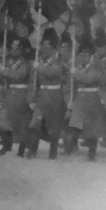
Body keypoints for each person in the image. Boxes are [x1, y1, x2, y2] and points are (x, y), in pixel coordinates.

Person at [66, 34, 106, 161]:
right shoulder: (76, 66)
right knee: (75, 123)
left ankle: (92, 152)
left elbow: (90, 78)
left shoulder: (96, 66)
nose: (83, 57)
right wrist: (70, 100)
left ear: (90, 56)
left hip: (93, 98)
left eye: (86, 55)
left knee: (92, 128)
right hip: (79, 98)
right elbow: (71, 86)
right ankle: (71, 146)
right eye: (81, 55)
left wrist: (76, 73)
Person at [27, 28, 66, 160]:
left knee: (54, 126)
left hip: (55, 95)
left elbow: (53, 71)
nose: (45, 48)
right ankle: (32, 150)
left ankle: (53, 152)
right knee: (34, 123)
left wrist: (38, 67)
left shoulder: (58, 59)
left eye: (48, 45)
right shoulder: (39, 60)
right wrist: (31, 100)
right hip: (41, 95)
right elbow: (33, 82)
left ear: (53, 46)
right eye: (43, 45)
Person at [0, 37, 32, 156]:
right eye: (12, 47)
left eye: (17, 48)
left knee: (21, 123)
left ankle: (22, 148)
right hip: (9, 94)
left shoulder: (25, 63)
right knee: (4, 120)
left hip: (21, 94)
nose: (13, 50)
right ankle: (6, 145)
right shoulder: (6, 61)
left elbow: (20, 75)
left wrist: (7, 72)